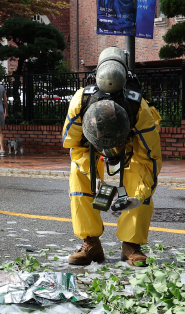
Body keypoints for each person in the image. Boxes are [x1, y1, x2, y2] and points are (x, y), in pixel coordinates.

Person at [63, 46, 162, 267]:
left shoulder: (139, 108)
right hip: (91, 150)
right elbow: (73, 144)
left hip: (129, 150)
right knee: (78, 180)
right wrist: (93, 175)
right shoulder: (81, 101)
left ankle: (131, 245)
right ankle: (90, 243)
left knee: (139, 180)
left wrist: (138, 196)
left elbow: (150, 158)